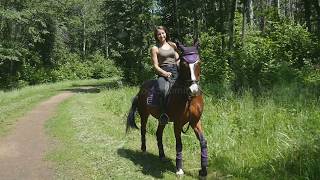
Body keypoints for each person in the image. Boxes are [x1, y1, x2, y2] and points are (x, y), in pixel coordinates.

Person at [151, 26, 180, 125]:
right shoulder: (155, 48)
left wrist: (179, 64)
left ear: (166, 33)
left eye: (163, 33)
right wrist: (164, 73)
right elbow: (155, 66)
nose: (161, 35)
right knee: (163, 90)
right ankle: (163, 114)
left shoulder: (172, 45)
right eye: (159, 34)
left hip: (176, 70)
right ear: (156, 36)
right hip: (163, 72)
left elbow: (177, 58)